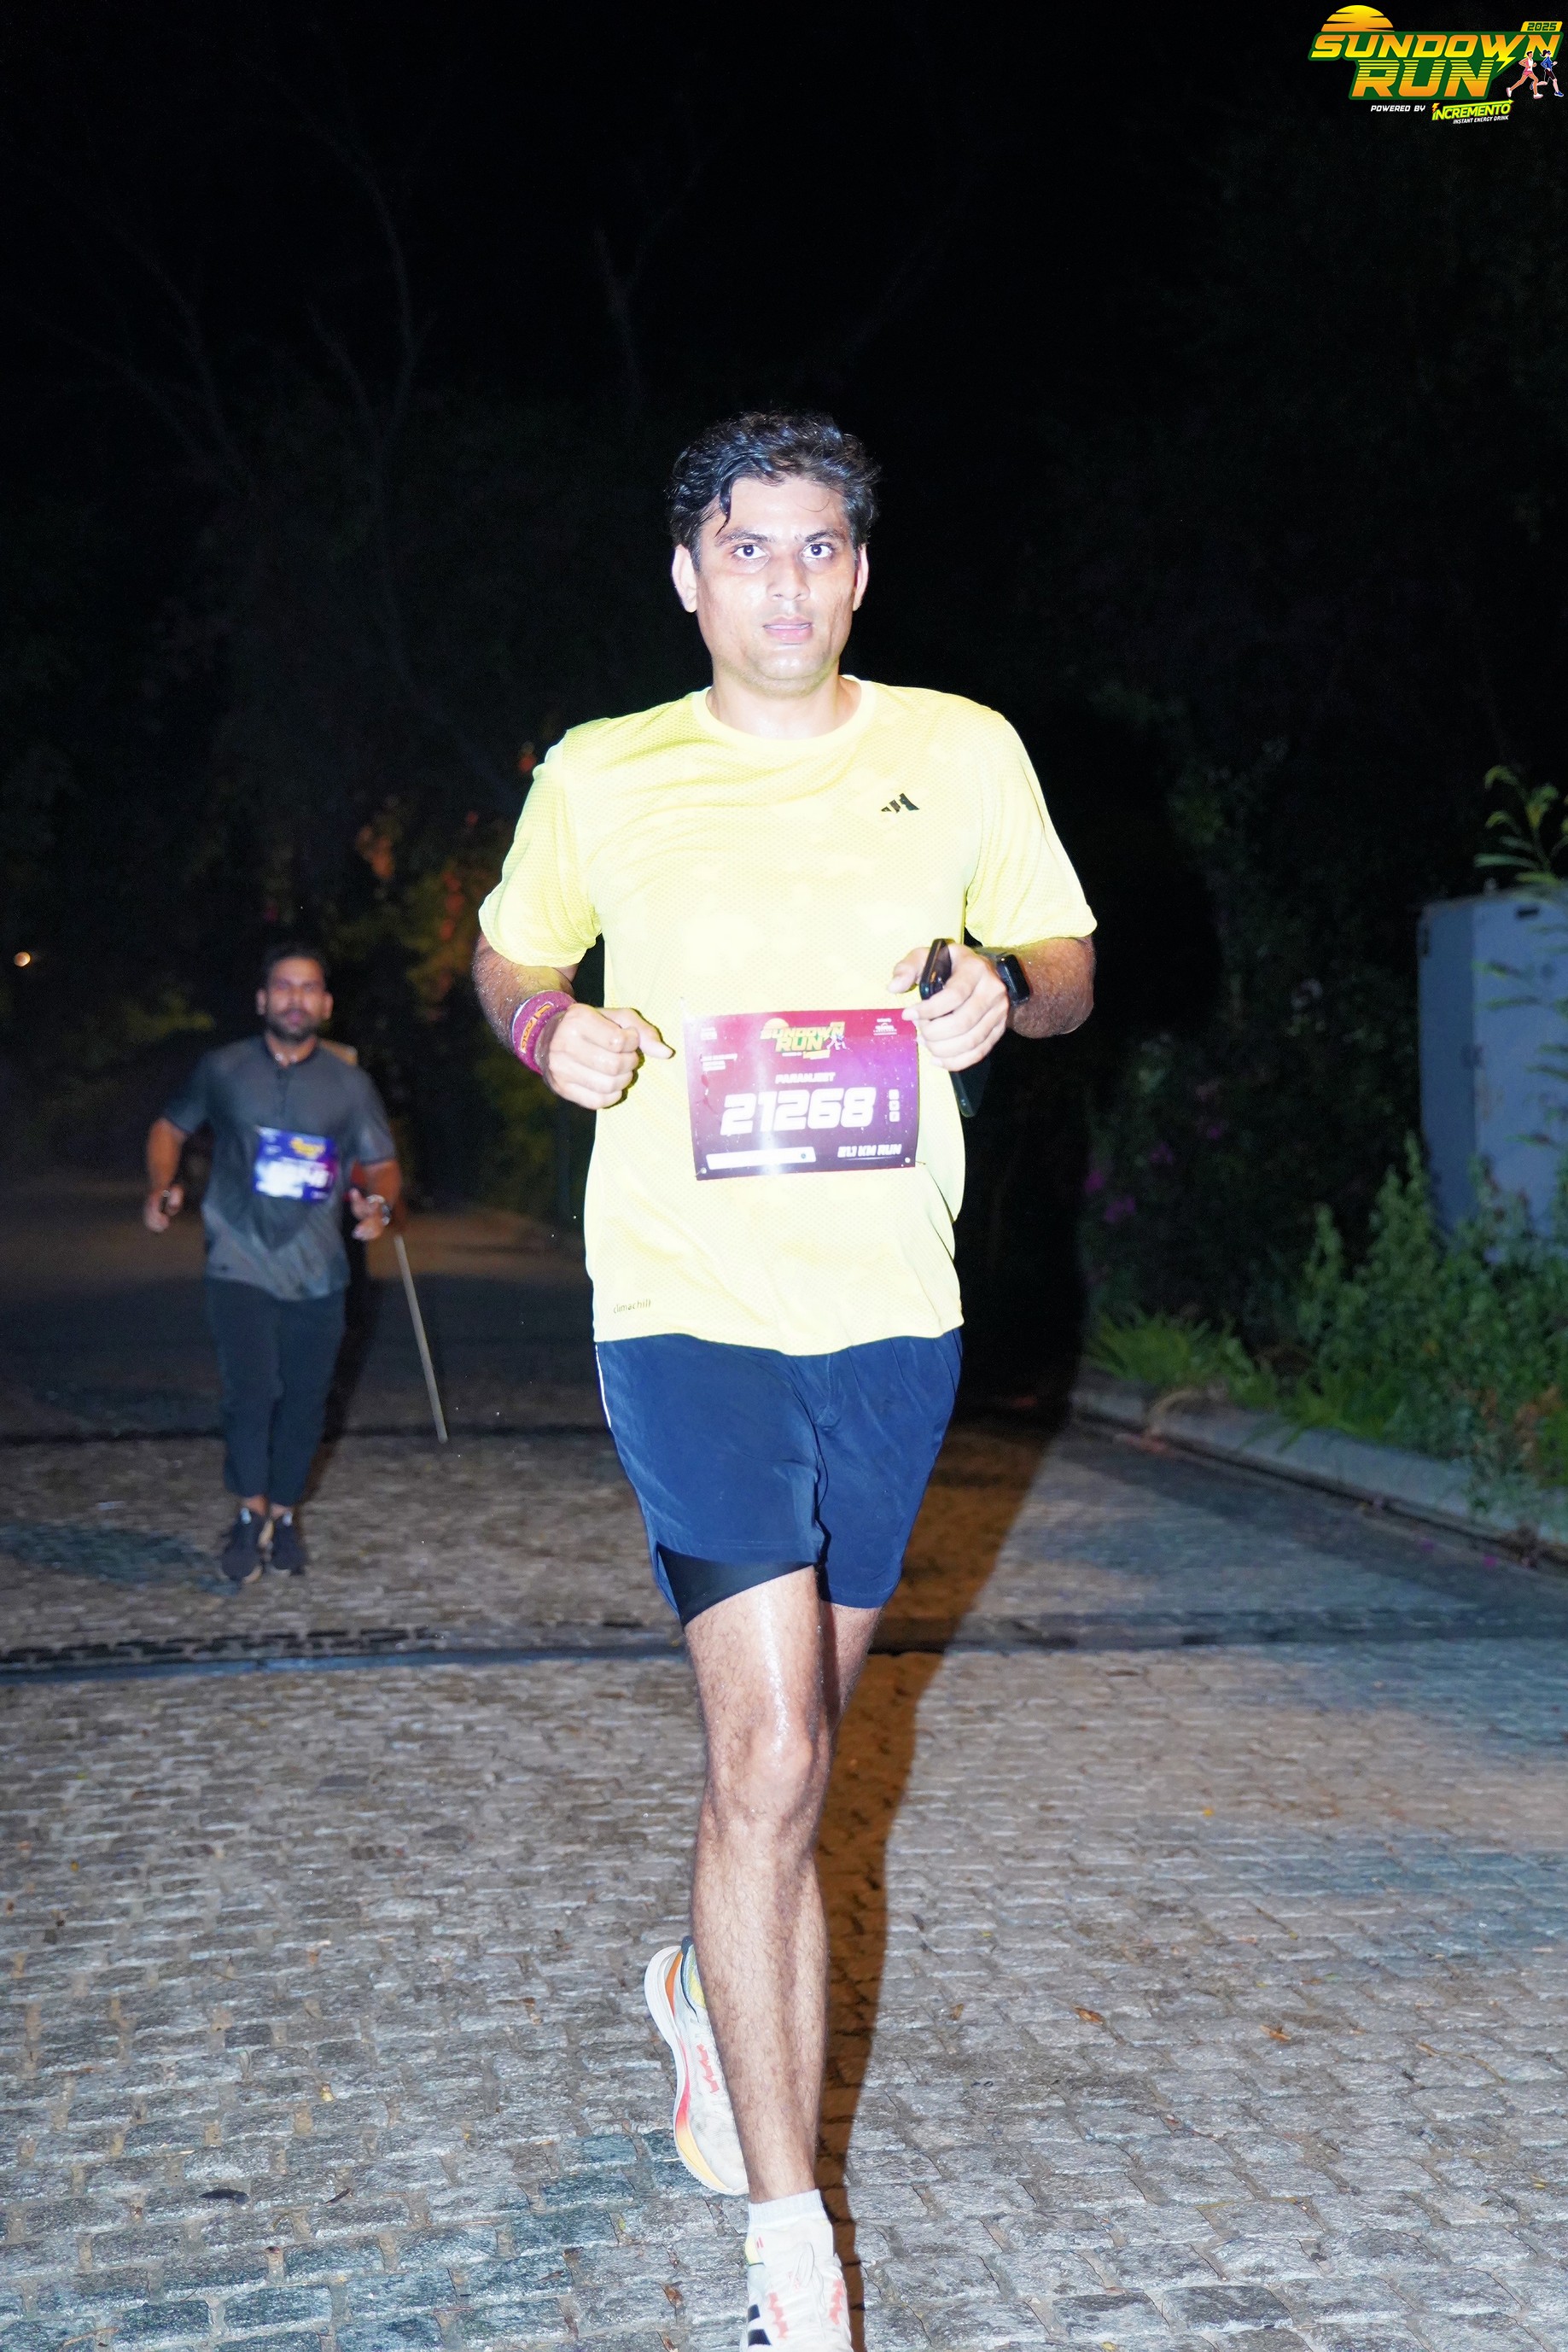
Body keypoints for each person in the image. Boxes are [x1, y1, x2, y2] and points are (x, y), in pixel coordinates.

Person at [472, 411, 1095, 2351]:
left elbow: (1068, 963)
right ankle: (788, 2250)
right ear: (688, 574)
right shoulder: (604, 770)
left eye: (821, 547)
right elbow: (505, 960)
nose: (787, 582)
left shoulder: (960, 751)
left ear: (861, 570)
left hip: (890, 1314)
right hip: (686, 1309)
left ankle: (697, 1981)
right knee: (766, 1762)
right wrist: (548, 1030)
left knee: (804, 1743)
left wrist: (1003, 986)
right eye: (749, 548)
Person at [143, 944, 402, 1585]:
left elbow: (382, 1163)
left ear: (326, 1004)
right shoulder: (224, 1068)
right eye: (283, 986)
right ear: (262, 1000)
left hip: (319, 1268)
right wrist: (162, 1184)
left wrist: (379, 1205)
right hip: (238, 1258)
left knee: (305, 1402)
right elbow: (170, 1127)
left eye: (308, 988)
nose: (295, 998)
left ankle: (284, 1514)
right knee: (250, 1393)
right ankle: (248, 1512)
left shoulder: (349, 1084)